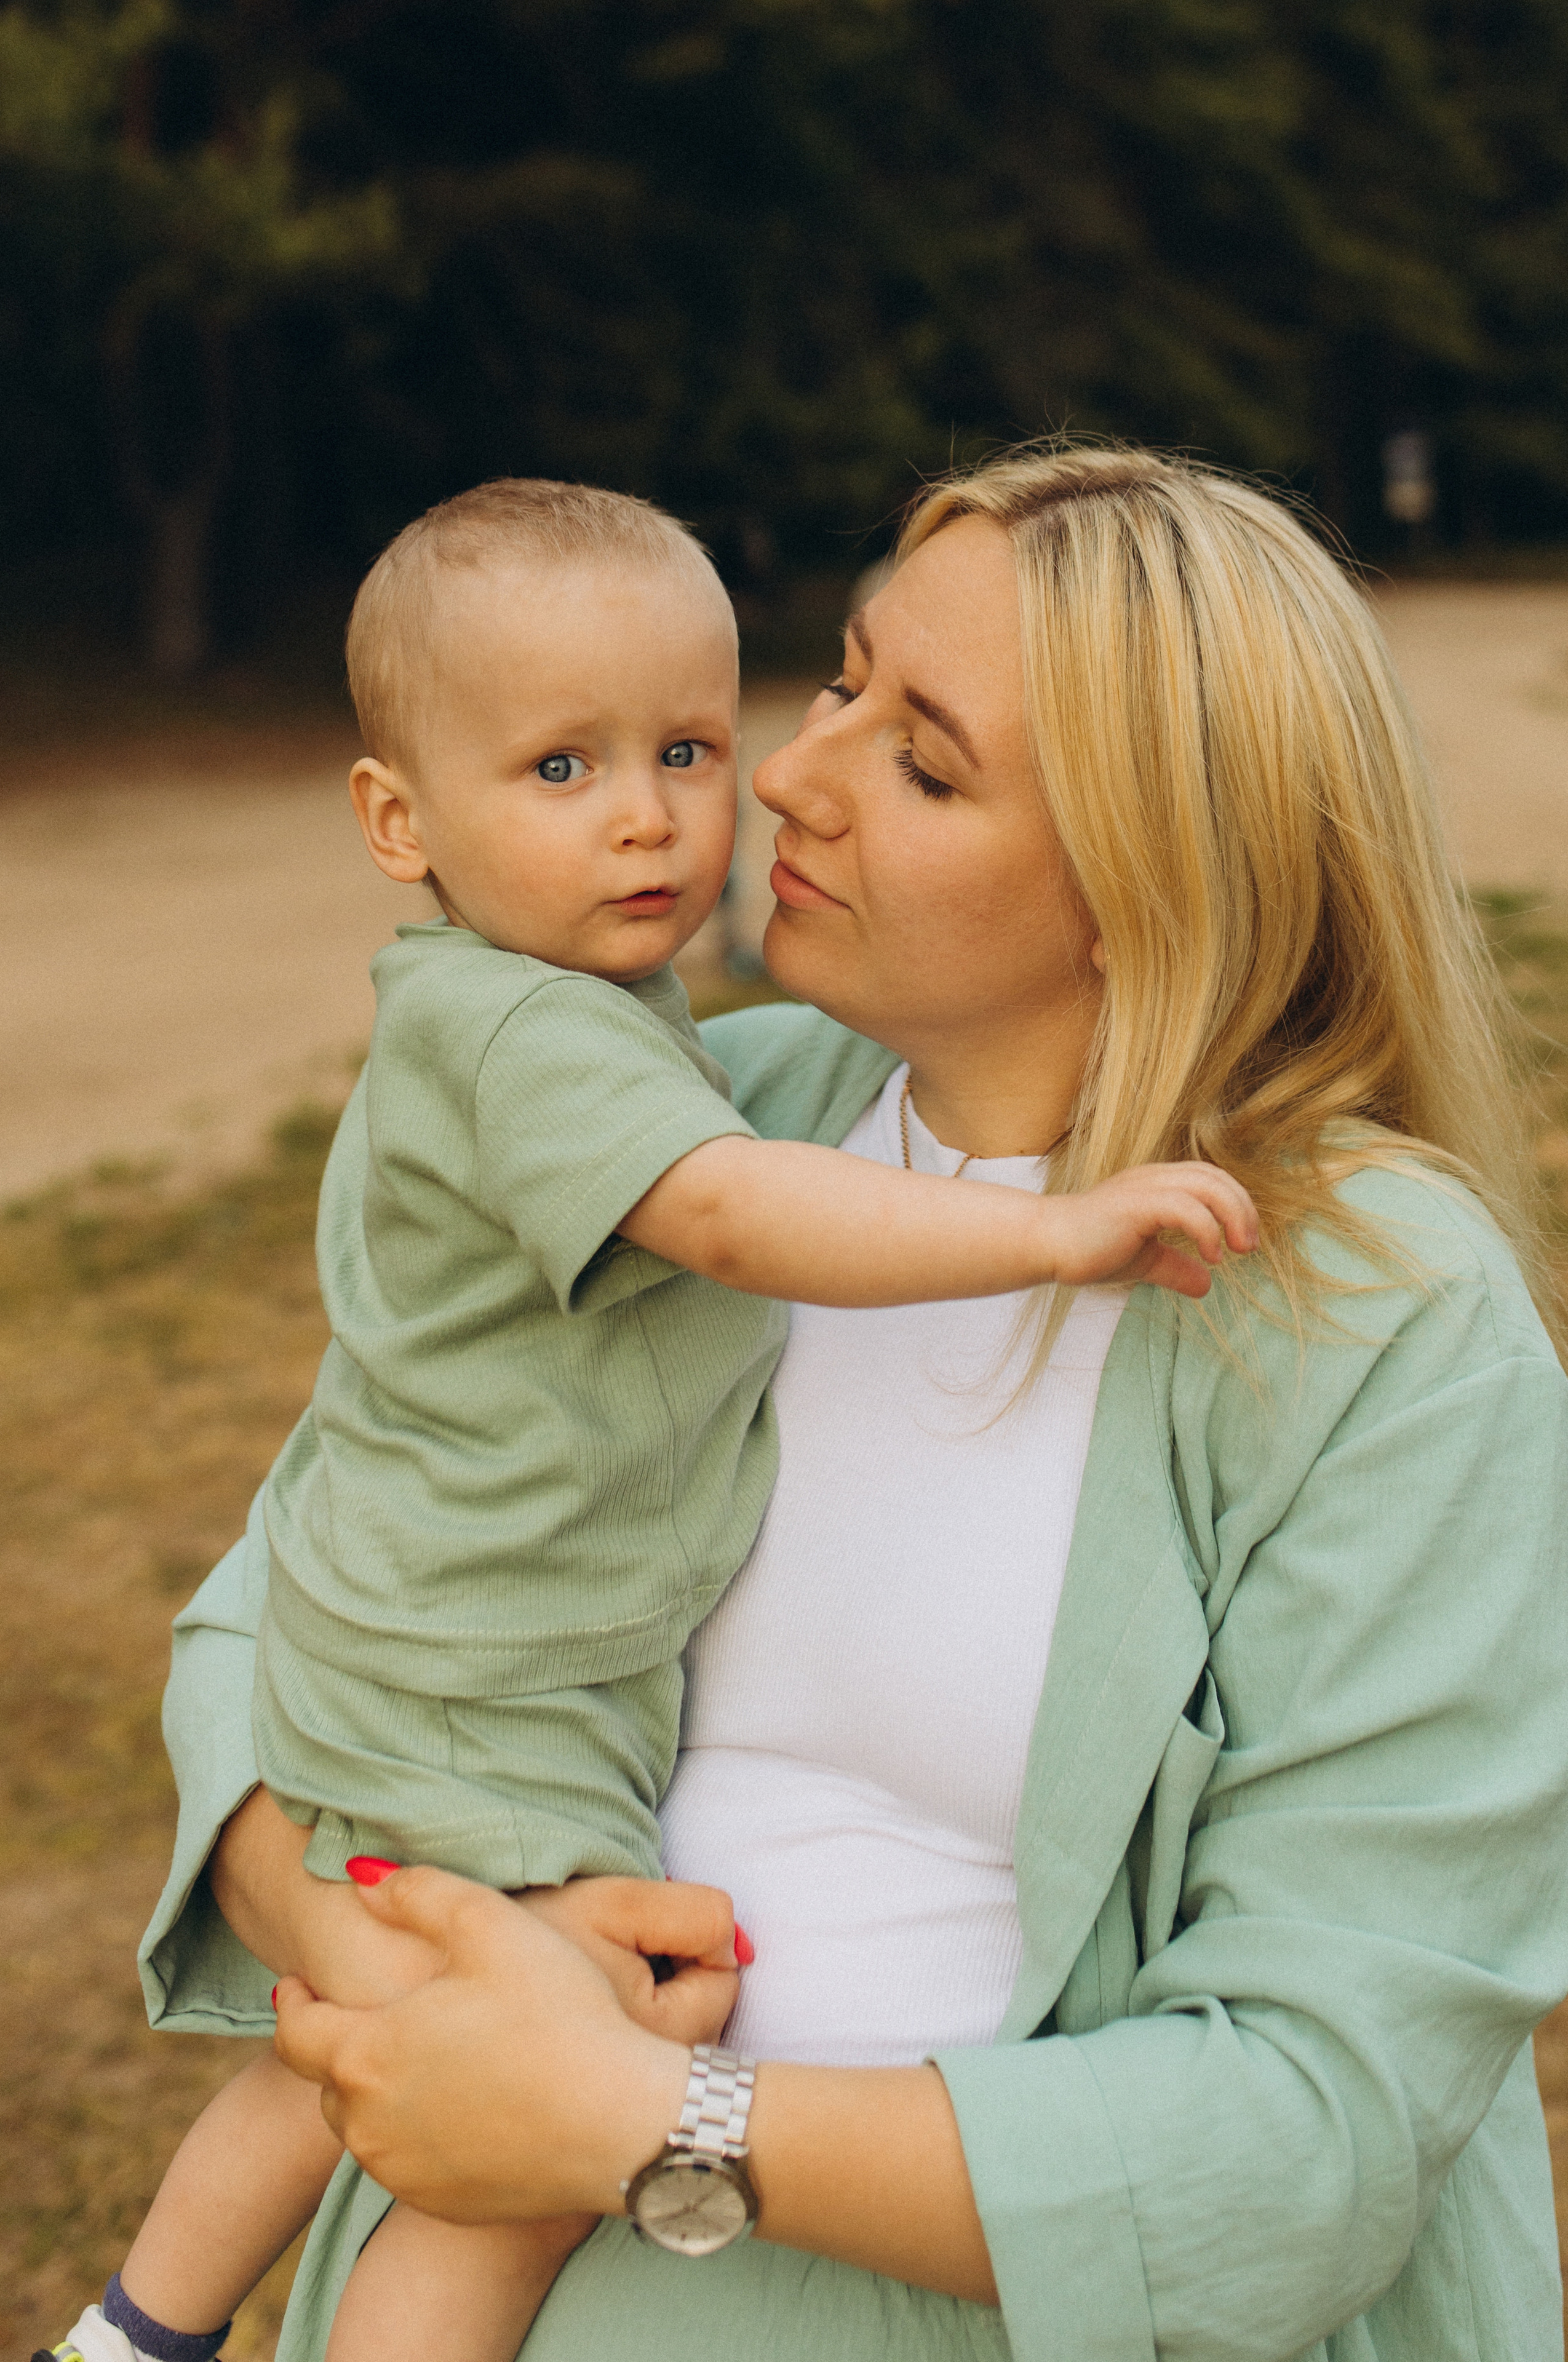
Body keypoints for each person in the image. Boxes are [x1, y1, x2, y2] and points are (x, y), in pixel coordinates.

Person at [135, 444, 1567, 2362]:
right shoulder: (727, 1119)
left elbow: (1311, 2135)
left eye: (925, 759)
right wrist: (385, 1954)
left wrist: (637, 2121)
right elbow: (295, 1590)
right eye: (839, 678)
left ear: (1153, 887)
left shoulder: (1380, 1318)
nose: (784, 777)